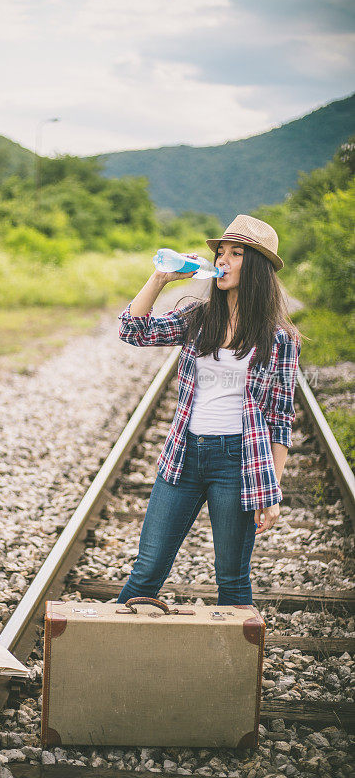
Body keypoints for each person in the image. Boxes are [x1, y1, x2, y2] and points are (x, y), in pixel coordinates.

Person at [116, 214, 302, 606]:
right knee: (146, 570)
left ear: (257, 268)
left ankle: (231, 665)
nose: (223, 260)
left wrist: (272, 490)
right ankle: (100, 654)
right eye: (221, 252)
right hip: (184, 455)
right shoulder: (199, 317)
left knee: (232, 579)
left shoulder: (280, 338)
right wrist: (161, 278)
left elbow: (281, 416)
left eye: (236, 253)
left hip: (238, 462)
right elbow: (133, 331)